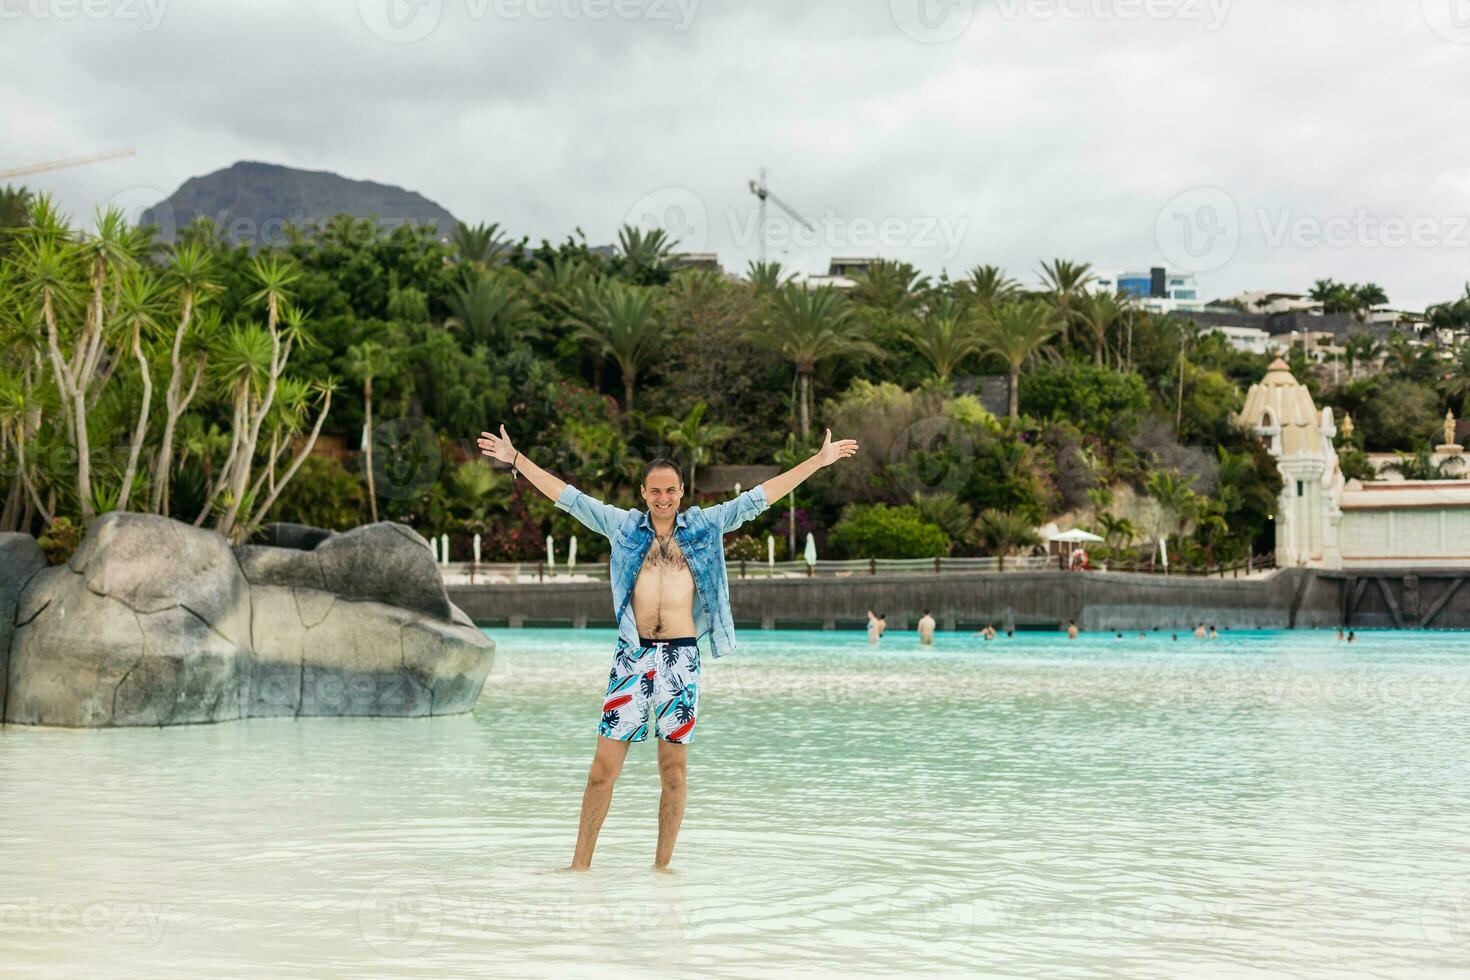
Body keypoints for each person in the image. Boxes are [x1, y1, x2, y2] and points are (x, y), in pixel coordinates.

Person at [477, 424, 859, 871]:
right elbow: (568, 498)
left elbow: (760, 497)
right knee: (603, 769)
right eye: (654, 491)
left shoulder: (704, 526)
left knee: (673, 772)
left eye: (670, 490)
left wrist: (818, 461)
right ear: (644, 492)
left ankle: (662, 872)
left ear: (681, 491)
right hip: (632, 657)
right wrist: (516, 458)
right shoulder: (622, 526)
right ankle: (578, 869)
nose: (662, 498)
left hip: (681, 658)